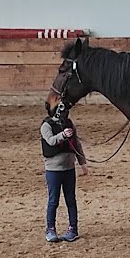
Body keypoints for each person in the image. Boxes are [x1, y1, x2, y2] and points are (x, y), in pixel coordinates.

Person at [41, 104, 88, 243]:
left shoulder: (69, 124)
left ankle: (73, 229)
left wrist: (82, 162)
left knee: (71, 200)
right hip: (53, 169)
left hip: (69, 168)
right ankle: (50, 229)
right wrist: (63, 135)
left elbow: (76, 144)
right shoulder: (46, 126)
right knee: (53, 200)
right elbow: (50, 141)